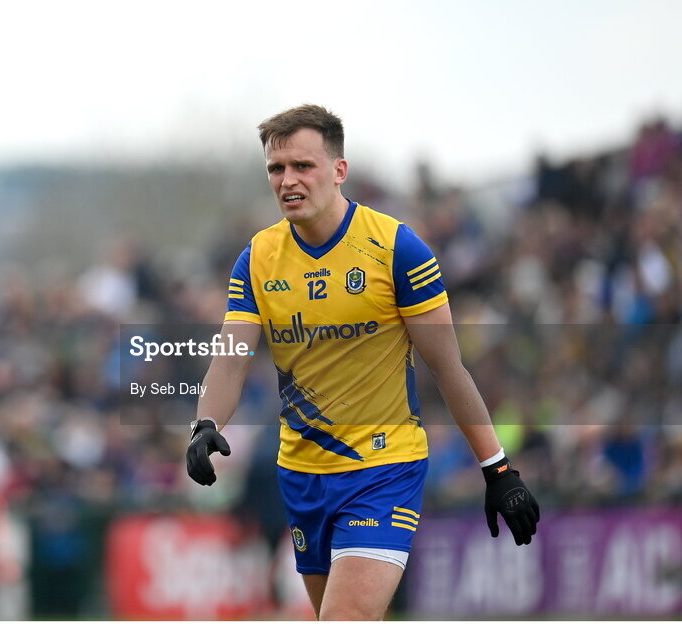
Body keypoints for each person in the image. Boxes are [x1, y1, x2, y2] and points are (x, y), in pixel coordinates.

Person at [185, 104, 539, 620]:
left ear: (338, 170)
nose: (287, 180)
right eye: (276, 169)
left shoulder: (397, 248)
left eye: (302, 166)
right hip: (302, 473)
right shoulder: (258, 257)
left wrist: (497, 468)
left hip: (384, 468)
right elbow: (231, 358)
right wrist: (206, 422)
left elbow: (448, 367)